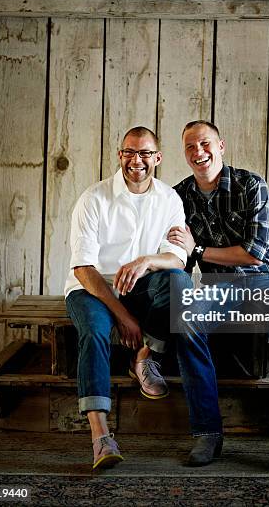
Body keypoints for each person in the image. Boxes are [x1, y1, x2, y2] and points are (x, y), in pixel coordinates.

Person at [168, 120, 269, 475]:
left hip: (266, 279)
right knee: (187, 322)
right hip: (218, 286)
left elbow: (254, 252)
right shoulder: (178, 196)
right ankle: (208, 433)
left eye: (205, 144)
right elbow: (176, 252)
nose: (199, 152)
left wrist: (198, 248)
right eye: (191, 147)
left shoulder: (251, 185)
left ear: (221, 146)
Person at [65, 126, 187, 470]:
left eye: (146, 153)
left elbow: (177, 258)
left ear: (158, 158)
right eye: (130, 152)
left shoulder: (169, 199)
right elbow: (84, 270)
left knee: (179, 284)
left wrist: (147, 260)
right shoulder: (94, 198)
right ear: (120, 156)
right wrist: (123, 317)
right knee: (94, 331)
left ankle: (147, 357)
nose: (137, 160)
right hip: (93, 289)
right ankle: (100, 435)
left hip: (140, 286)